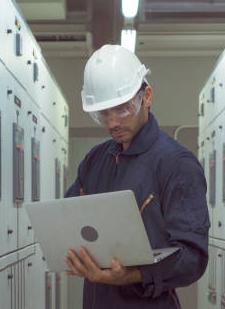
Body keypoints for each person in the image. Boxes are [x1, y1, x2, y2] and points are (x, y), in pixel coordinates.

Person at [63, 45, 210, 308]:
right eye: (103, 114)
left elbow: (193, 259)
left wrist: (132, 274)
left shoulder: (176, 164)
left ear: (147, 96)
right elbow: (68, 219)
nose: (112, 124)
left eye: (121, 109)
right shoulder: (95, 160)